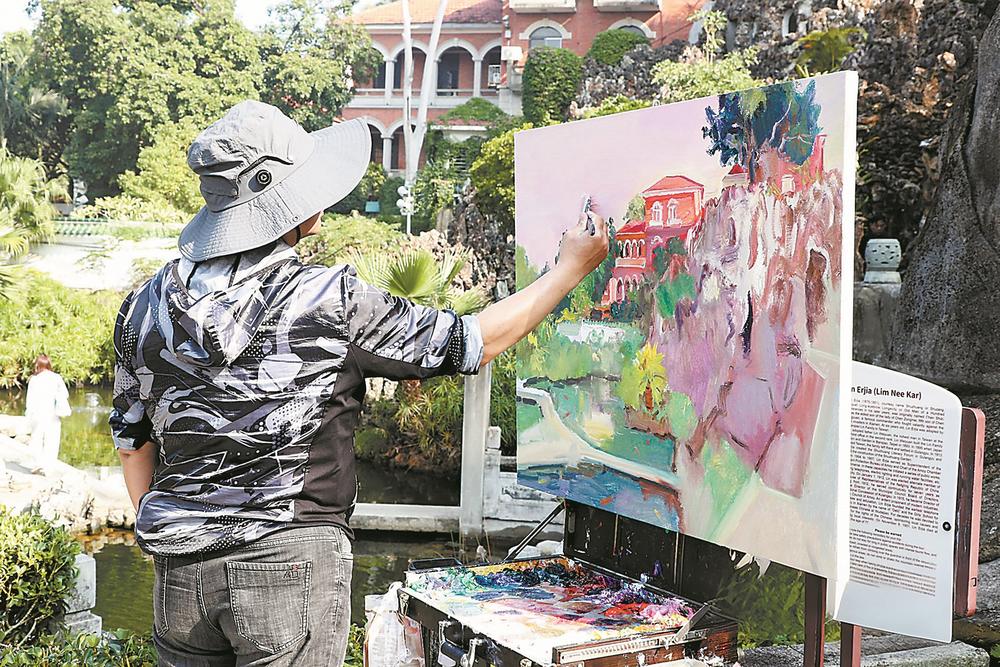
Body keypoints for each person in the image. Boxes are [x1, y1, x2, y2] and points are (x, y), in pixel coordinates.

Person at [109, 100, 608, 667]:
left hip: (179, 573)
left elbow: (132, 442)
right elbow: (472, 342)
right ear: (289, 204)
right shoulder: (329, 299)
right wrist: (569, 269)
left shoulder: (142, 306)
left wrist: (176, 532)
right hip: (288, 559)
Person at [25, 354, 71, 463]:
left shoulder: (34, 379)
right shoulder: (56, 377)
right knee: (52, 440)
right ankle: (48, 464)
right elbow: (65, 394)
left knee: (37, 438)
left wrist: (28, 415)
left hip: (37, 413)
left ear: (38, 365)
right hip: (53, 413)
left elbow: (30, 399)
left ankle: (37, 462)